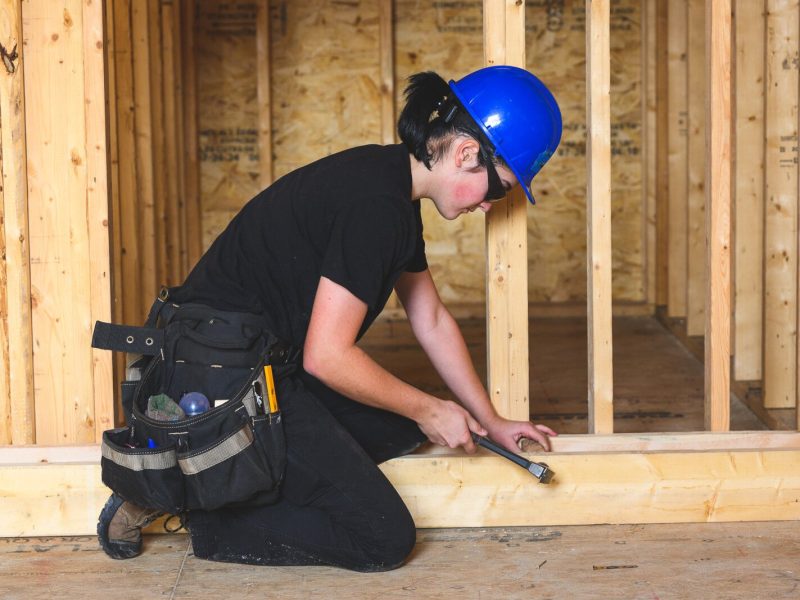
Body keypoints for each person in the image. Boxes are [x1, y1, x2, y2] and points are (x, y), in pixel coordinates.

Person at [97, 65, 563, 571]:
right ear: (468, 154)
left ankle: (237, 475)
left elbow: (429, 318)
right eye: (501, 190)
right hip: (220, 380)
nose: (494, 207)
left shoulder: (392, 190)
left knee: (402, 427)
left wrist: (490, 421)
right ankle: (194, 502)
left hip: (260, 367)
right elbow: (327, 356)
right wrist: (430, 408)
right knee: (382, 537)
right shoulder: (377, 207)